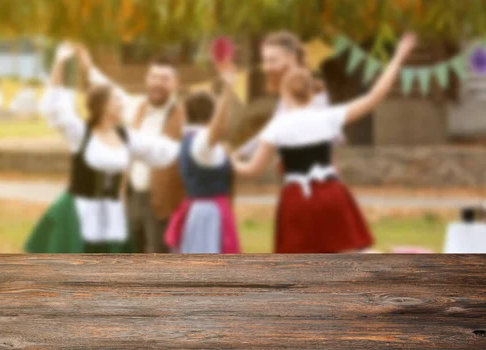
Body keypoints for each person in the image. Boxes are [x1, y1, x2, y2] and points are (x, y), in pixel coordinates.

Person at [231, 33, 417, 253]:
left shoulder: (279, 125)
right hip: (331, 192)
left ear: (285, 92)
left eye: (272, 59)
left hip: (296, 198)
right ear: (311, 91)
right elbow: (374, 96)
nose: (266, 66)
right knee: (349, 257)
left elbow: (253, 167)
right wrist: (398, 57)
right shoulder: (327, 117)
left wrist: (232, 160)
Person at [24, 44, 179, 253]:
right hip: (79, 212)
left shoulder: (127, 138)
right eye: (116, 100)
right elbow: (56, 109)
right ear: (103, 105)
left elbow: (163, 150)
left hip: (112, 216)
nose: (122, 104)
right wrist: (60, 64)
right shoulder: (81, 133)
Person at [80, 48, 185, 254]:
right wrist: (87, 66)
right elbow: (108, 88)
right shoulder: (136, 107)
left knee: (159, 263)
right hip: (132, 198)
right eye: (154, 77)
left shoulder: (184, 117)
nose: (157, 83)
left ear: (175, 83)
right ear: (147, 79)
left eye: (164, 79)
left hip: (164, 204)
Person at [165, 64, 241, 254]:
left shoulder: (190, 140)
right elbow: (216, 129)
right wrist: (228, 89)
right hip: (208, 215)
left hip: (199, 210)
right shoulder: (200, 140)